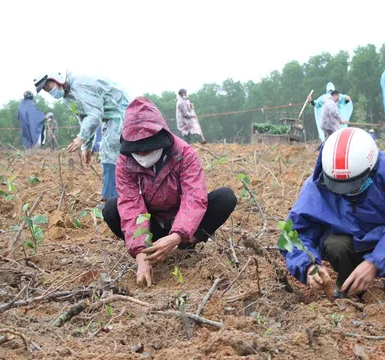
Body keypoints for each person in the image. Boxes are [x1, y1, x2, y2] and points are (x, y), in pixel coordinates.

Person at [103, 97, 237, 286]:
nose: (142, 155)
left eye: (146, 149)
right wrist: (141, 255)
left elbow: (194, 197)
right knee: (111, 209)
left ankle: (187, 244)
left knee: (225, 197)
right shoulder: (125, 163)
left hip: (185, 223)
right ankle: (153, 249)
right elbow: (130, 205)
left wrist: (178, 236)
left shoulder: (184, 154)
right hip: (153, 225)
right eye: (137, 151)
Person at [282, 127, 385, 299]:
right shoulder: (318, 184)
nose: (347, 192)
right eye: (338, 186)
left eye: (353, 185)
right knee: (335, 244)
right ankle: (350, 287)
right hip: (353, 243)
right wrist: (308, 266)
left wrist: (374, 262)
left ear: (371, 169)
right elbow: (294, 233)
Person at [33, 72, 129, 201]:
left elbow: (95, 114)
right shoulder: (68, 97)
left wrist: (81, 138)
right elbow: (84, 118)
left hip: (121, 111)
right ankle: (110, 198)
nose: (51, 93)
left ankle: (116, 199)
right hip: (110, 117)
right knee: (107, 153)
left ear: (57, 79)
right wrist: (86, 147)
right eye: (48, 92)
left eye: (50, 88)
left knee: (111, 151)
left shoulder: (80, 85)